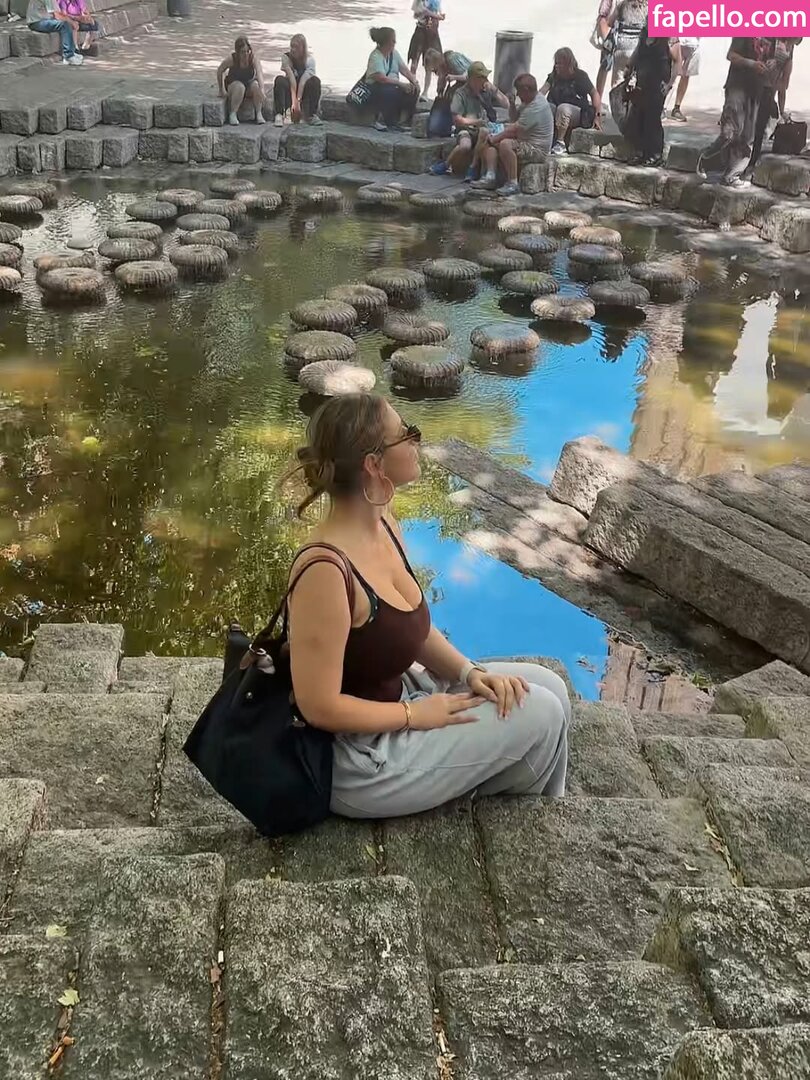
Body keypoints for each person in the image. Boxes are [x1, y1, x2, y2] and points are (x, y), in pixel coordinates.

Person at [284, 393, 571, 821]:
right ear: (374, 464)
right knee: (541, 715)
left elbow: (409, 631)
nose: (417, 439)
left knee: (549, 688)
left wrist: (468, 673)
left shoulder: (383, 522)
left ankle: (535, 804)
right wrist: (412, 715)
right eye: (407, 433)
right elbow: (318, 706)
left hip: (407, 697)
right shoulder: (325, 571)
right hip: (360, 760)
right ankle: (530, 818)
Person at [696, 37, 788, 189]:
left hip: (756, 89)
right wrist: (751, 64)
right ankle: (706, 157)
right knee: (730, 131)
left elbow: (774, 59)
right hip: (737, 86)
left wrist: (772, 63)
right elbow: (731, 55)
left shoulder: (772, 37)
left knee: (748, 136)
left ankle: (732, 175)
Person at [472, 73, 554, 196]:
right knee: (491, 140)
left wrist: (495, 138)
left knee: (505, 144)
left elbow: (514, 129)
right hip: (524, 139)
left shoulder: (537, 106)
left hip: (536, 149)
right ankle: (490, 177)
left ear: (526, 90)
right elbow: (514, 118)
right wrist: (511, 104)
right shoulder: (528, 100)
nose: (518, 95)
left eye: (519, 91)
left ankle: (512, 183)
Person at [430, 61, 508, 179]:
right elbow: (457, 120)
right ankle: (446, 164)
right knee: (465, 146)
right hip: (465, 129)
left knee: (484, 132)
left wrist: (494, 89)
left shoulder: (485, 91)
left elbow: (506, 104)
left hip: (483, 130)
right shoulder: (460, 94)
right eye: (482, 78)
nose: (485, 80)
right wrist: (476, 122)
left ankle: (473, 167)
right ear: (472, 79)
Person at [623, 28, 679, 166]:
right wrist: (629, 67)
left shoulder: (669, 36)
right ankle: (640, 152)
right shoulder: (644, 33)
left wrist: (669, 84)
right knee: (638, 117)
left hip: (658, 84)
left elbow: (677, 61)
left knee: (652, 120)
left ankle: (655, 155)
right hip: (642, 83)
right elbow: (637, 52)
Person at [541, 47, 602, 155]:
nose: (557, 66)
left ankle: (560, 142)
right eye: (556, 63)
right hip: (556, 109)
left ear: (568, 64)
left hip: (577, 112)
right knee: (546, 107)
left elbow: (594, 94)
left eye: (560, 63)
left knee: (563, 109)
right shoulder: (553, 76)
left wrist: (597, 116)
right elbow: (542, 91)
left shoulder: (581, 76)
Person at [362, 27, 420, 132]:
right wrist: (401, 84)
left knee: (413, 90)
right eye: (393, 40)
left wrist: (414, 82)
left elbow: (404, 69)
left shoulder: (394, 53)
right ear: (386, 42)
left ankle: (405, 121)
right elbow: (382, 79)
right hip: (375, 89)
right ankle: (391, 122)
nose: (395, 43)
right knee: (389, 90)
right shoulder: (375, 56)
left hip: (392, 85)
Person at [274, 34, 322, 127]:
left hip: (303, 90)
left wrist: (298, 102)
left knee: (315, 81)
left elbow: (303, 82)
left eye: (296, 47)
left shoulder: (310, 60)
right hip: (291, 88)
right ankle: (279, 114)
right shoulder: (286, 57)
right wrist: (294, 103)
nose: (293, 49)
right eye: (292, 46)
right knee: (279, 80)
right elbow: (292, 78)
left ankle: (312, 115)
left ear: (303, 48)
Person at [217, 36, 266, 127]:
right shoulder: (232, 59)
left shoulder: (253, 58)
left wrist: (262, 89)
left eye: (247, 51)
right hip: (234, 85)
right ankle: (233, 113)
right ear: (238, 52)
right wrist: (221, 89)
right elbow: (220, 70)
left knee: (256, 86)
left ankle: (259, 113)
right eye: (243, 52)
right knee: (240, 87)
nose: (246, 54)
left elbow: (259, 73)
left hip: (249, 83)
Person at [408, 0, 445, 100]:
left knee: (430, 63)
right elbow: (419, 13)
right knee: (414, 60)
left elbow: (439, 12)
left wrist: (439, 16)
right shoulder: (419, 1)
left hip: (432, 33)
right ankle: (413, 87)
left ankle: (425, 92)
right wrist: (437, 16)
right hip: (421, 31)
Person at [26, 0, 82, 65]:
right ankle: (68, 56)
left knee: (65, 24)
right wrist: (72, 22)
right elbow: (57, 15)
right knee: (64, 25)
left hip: (40, 20)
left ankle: (72, 52)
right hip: (37, 22)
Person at [607, 0, 648, 87]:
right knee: (636, 81)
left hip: (622, 47)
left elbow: (610, 22)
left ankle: (617, 94)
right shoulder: (648, 6)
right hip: (638, 48)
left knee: (617, 81)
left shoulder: (622, 4)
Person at [666, 36, 700, 121]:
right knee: (671, 77)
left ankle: (676, 108)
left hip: (694, 45)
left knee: (686, 77)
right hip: (679, 43)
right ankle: (662, 107)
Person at [594, 0, 616, 109]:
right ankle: (597, 101)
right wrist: (606, 38)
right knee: (605, 66)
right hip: (611, 34)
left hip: (630, 36)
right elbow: (603, 16)